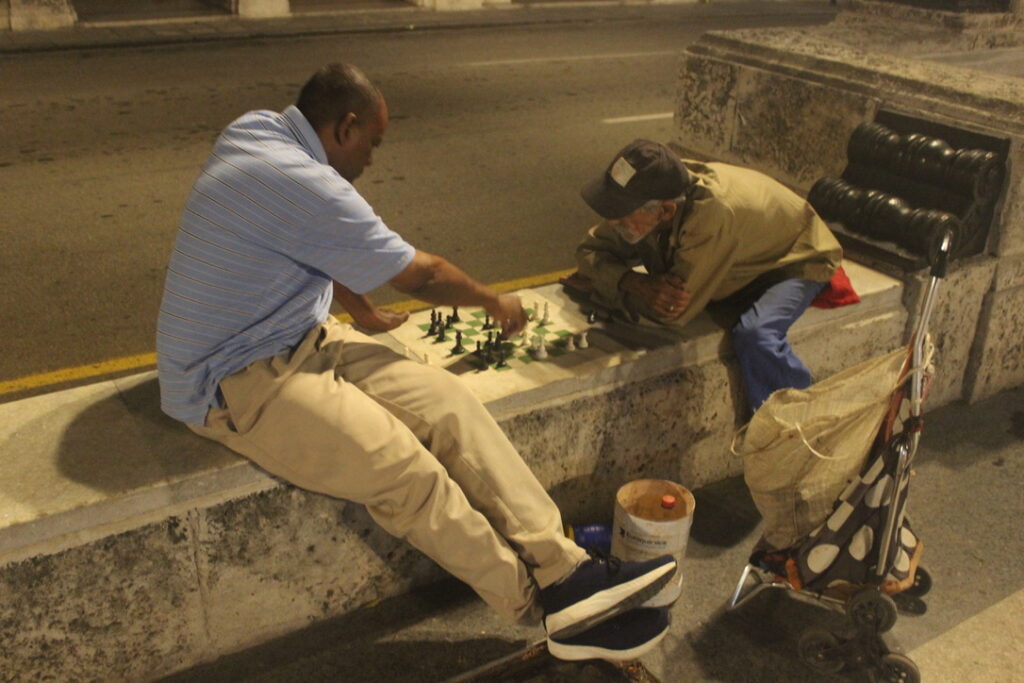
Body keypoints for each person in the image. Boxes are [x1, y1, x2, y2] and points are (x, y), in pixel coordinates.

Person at [155, 64, 676, 661]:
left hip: (302, 335)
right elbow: (422, 276)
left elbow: (315, 241)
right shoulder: (303, 182)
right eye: (373, 142)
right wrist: (493, 301)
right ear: (346, 126)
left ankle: (568, 571)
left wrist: (361, 311)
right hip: (233, 380)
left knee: (450, 405)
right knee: (406, 471)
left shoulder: (257, 130)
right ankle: (542, 608)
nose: (372, 158)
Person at [571, 139, 844, 415]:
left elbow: (671, 310)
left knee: (755, 335)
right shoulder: (651, 193)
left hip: (795, 257)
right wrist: (631, 282)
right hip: (743, 251)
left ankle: (799, 419)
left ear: (665, 211)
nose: (613, 223)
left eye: (621, 216)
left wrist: (606, 285)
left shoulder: (709, 217)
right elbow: (588, 252)